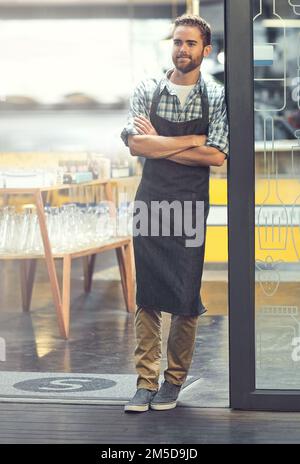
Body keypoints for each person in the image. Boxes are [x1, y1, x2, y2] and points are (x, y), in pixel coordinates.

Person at [120, 14, 229, 413]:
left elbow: (216, 155)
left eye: (190, 44)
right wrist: (189, 142)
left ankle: (173, 381)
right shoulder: (147, 88)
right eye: (177, 42)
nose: (182, 50)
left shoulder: (215, 95)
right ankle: (145, 382)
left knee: (184, 293)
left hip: (190, 202)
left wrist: (159, 142)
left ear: (206, 50)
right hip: (150, 200)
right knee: (147, 293)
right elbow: (136, 146)